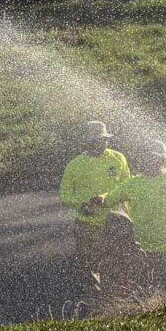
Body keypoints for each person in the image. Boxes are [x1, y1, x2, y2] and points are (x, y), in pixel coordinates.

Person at [107, 140, 166, 305]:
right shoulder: (133, 184)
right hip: (143, 247)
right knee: (145, 287)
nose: (151, 161)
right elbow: (111, 198)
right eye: (147, 157)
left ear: (163, 159)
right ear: (142, 159)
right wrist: (98, 200)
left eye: (155, 157)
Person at [59, 119, 129, 314]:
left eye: (102, 140)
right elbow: (65, 195)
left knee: (116, 263)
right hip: (87, 223)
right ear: (87, 142)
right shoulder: (75, 165)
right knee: (89, 267)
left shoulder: (118, 159)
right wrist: (81, 205)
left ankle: (117, 303)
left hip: (115, 223)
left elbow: (127, 189)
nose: (99, 144)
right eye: (94, 141)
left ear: (107, 140)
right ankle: (97, 308)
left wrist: (130, 217)